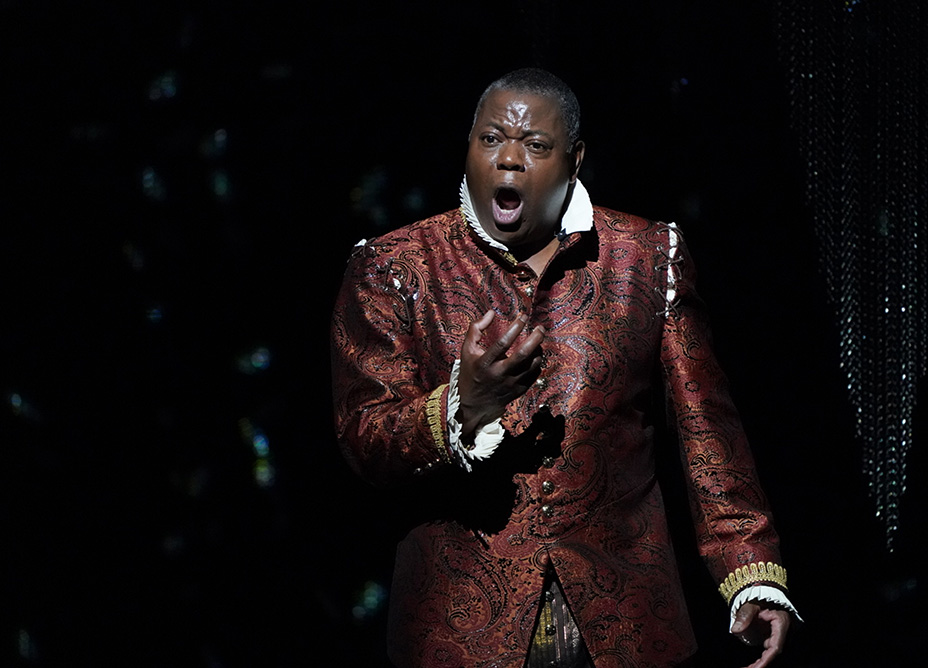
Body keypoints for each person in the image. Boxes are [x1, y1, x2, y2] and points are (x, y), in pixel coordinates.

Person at [332, 68, 798, 668]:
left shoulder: (646, 256)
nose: (508, 160)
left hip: (623, 624)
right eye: (491, 139)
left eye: (534, 145)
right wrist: (460, 406)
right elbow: (363, 437)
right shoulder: (395, 267)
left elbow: (706, 426)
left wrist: (748, 569)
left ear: (574, 160)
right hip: (461, 631)